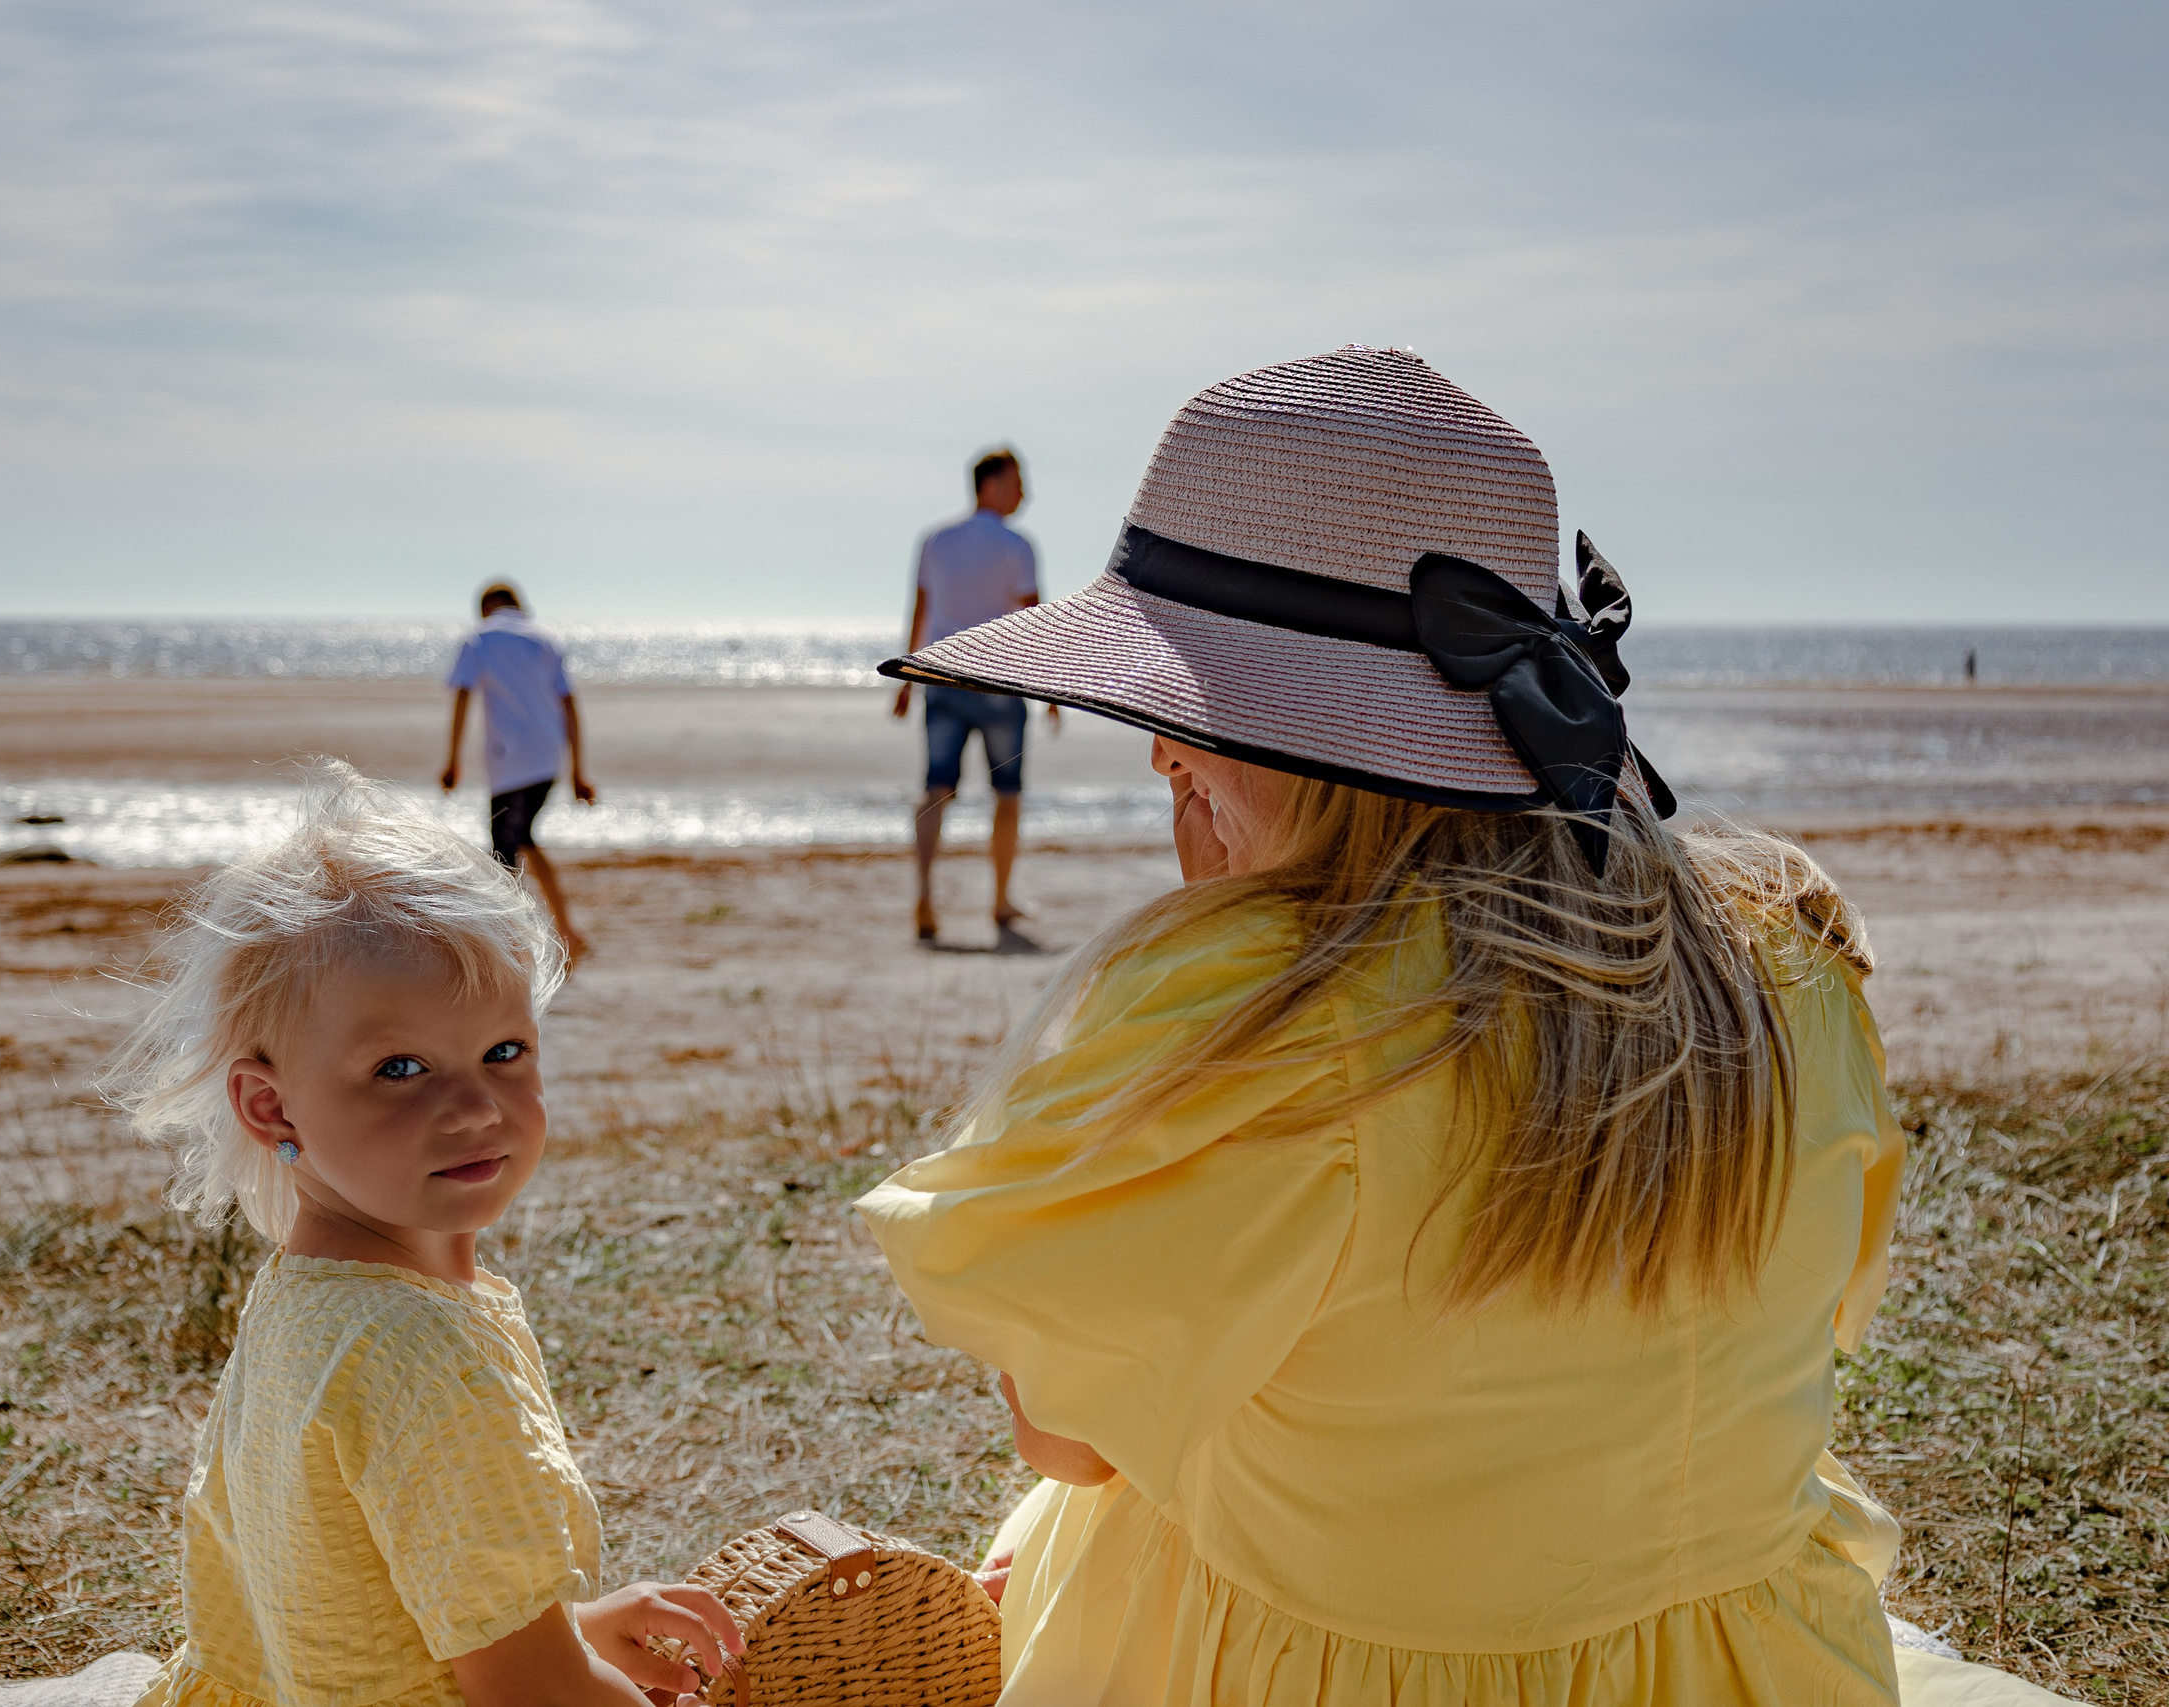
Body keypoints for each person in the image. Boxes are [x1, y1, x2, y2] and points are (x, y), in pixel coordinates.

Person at [860, 348, 2066, 1705]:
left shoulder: (1274, 1036)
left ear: (1299, 747)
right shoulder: (1782, 969)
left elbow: (1068, 1430)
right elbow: (1816, 1319)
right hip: (1746, 1667)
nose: (1158, 752)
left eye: (1186, 718)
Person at [104, 764, 742, 1707]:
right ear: (271, 1106)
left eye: (504, 1051)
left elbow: (358, 1592)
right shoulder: (428, 1360)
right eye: (400, 1068)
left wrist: (563, 1629)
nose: (477, 1106)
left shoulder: (306, 1298)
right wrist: (558, 1664)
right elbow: (537, 1699)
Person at [892, 448, 1058, 950]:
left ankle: (924, 894)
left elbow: (921, 608)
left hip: (941, 674)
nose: (1025, 493)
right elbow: (1034, 619)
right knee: (1006, 793)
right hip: (998, 680)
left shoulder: (936, 538)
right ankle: (1001, 900)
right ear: (990, 485)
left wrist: (906, 679)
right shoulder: (1017, 545)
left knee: (935, 787)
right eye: (1017, 482)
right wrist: (1052, 688)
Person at [439, 580, 595, 963]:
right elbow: (570, 704)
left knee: (505, 854)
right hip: (549, 758)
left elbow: (462, 696)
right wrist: (578, 770)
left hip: (509, 762)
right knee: (521, 839)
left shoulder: (480, 639)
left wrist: (452, 759)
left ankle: (513, 946)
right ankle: (566, 930)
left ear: (486, 608)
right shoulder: (545, 640)